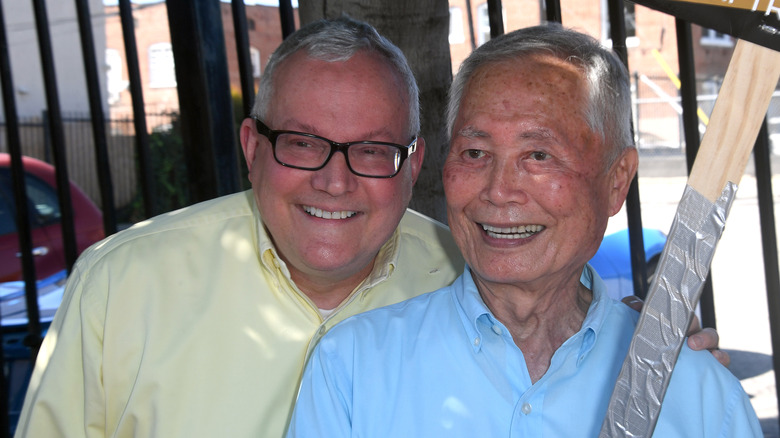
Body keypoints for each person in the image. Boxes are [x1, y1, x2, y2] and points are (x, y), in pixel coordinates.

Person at [14, 17, 723, 438]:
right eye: (301, 142)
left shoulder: (473, 267)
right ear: (252, 147)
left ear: (414, 163)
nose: (335, 178)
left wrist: (636, 345)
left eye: (373, 150)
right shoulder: (123, 283)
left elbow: (555, 308)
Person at [286, 24, 761, 437]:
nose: (499, 191)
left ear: (617, 182)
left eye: (538, 155)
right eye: (475, 153)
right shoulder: (352, 368)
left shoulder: (693, 392)